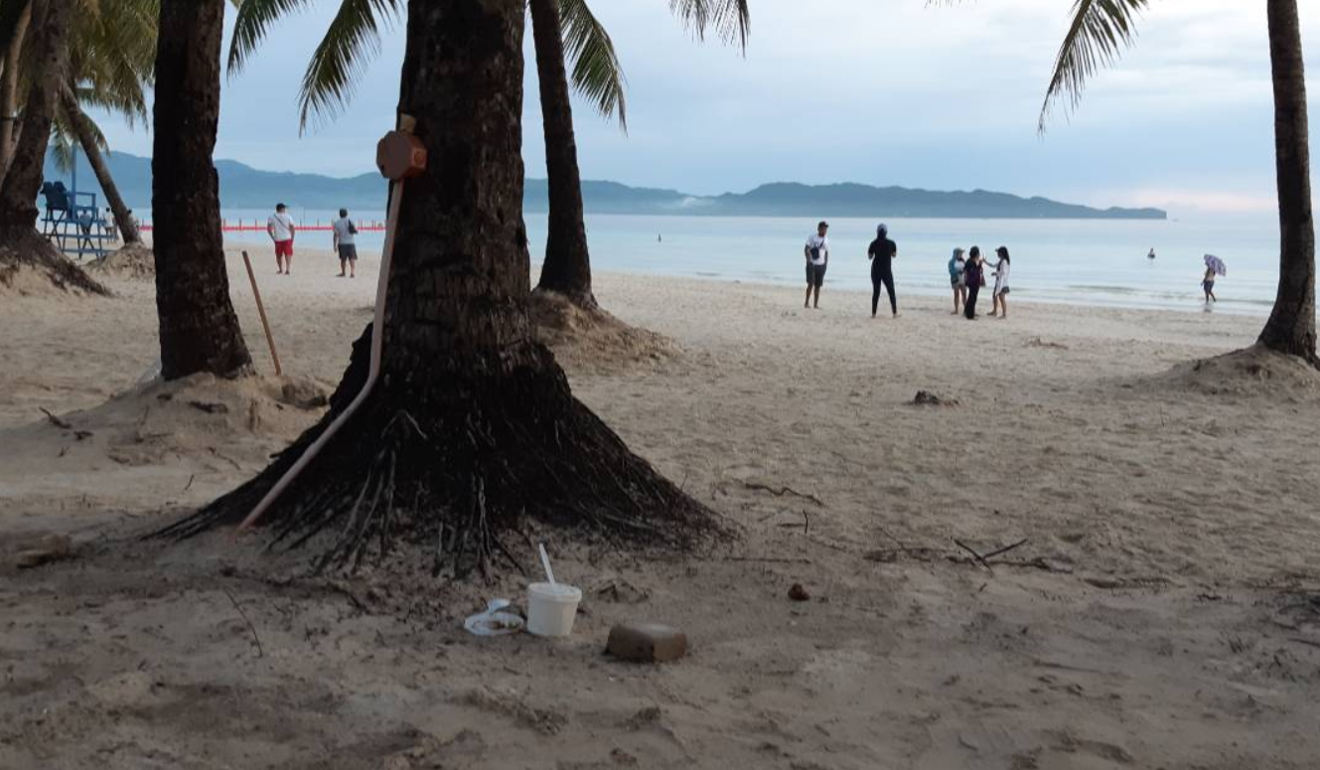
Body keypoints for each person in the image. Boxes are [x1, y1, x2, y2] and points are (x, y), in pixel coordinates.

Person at [867, 223, 898, 318]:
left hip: (875, 270)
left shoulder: (873, 243)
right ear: (886, 232)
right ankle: (894, 313)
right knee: (891, 291)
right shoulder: (891, 243)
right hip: (886, 270)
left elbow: (870, 256)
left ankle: (873, 313)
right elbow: (894, 255)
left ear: (877, 232)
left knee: (876, 291)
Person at [803, 221, 829, 309]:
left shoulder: (826, 239)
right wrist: (808, 260)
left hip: (821, 265)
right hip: (812, 264)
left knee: (818, 286)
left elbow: (826, 252)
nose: (824, 230)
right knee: (810, 284)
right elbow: (806, 248)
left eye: (825, 228)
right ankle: (806, 303)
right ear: (819, 228)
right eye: (823, 228)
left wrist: (825, 264)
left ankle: (815, 304)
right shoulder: (812, 237)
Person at [267, 202, 296, 275]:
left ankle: (280, 269)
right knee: (288, 254)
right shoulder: (288, 216)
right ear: (282, 209)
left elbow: (268, 228)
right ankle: (288, 269)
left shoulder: (271, 216)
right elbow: (292, 228)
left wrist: (272, 237)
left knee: (278, 255)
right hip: (287, 238)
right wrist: (292, 238)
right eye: (284, 208)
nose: (285, 210)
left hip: (278, 239)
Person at [332, 208, 358, 278]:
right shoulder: (351, 221)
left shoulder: (337, 223)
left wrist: (334, 245)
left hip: (342, 243)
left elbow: (336, 235)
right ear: (346, 214)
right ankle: (352, 272)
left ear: (339, 214)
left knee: (343, 259)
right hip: (351, 242)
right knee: (352, 258)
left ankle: (343, 272)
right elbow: (355, 230)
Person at [963, 246, 986, 320]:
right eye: (978, 253)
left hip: (971, 281)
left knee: (971, 297)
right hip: (974, 282)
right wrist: (979, 264)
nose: (979, 255)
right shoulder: (972, 262)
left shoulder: (969, 261)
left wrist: (979, 263)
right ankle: (970, 315)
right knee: (973, 298)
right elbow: (976, 271)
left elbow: (967, 271)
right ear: (976, 254)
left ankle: (967, 311)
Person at [989, 246, 1011, 319]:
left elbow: (1003, 272)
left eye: (998, 252)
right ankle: (994, 311)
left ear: (1001, 253)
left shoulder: (1004, 261)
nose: (997, 253)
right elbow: (993, 265)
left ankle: (1004, 314)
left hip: (1002, 283)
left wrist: (996, 273)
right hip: (999, 282)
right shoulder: (1001, 261)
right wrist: (985, 262)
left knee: (1001, 298)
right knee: (994, 296)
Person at [948, 247, 966, 315]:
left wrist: (964, 271)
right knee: (956, 294)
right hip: (955, 279)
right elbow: (951, 271)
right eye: (960, 253)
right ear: (956, 253)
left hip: (963, 279)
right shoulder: (951, 262)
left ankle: (965, 309)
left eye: (961, 253)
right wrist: (958, 271)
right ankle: (956, 310)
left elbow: (966, 268)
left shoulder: (963, 260)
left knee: (964, 294)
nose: (961, 254)